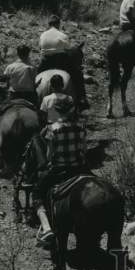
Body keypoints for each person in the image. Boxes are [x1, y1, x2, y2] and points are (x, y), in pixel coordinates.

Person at [33, 97, 88, 245]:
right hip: (79, 168)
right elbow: (83, 149)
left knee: (37, 194)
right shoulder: (81, 126)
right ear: (72, 110)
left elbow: (49, 155)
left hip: (60, 169)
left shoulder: (53, 129)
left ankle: (46, 227)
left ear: (57, 111)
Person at [38, 15, 88, 110]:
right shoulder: (62, 35)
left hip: (45, 62)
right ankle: (82, 98)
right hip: (59, 61)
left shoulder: (43, 35)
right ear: (58, 24)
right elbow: (68, 50)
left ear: (49, 24)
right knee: (77, 75)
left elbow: (40, 48)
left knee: (34, 78)